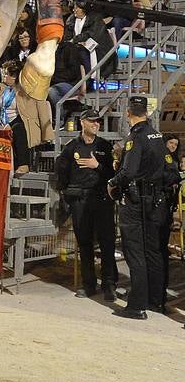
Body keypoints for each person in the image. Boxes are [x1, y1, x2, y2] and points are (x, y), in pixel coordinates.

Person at [107, 96, 167, 319]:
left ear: (128, 113)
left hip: (136, 201)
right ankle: (156, 301)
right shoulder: (157, 135)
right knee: (153, 252)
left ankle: (136, 306)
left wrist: (113, 183)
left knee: (135, 253)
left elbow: (129, 172)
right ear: (147, 113)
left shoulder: (136, 137)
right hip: (155, 200)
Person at [56, 109, 118, 300]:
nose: (96, 124)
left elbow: (113, 174)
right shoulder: (71, 147)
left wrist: (96, 166)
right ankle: (88, 284)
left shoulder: (105, 146)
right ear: (82, 122)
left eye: (98, 121)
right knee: (84, 243)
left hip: (102, 200)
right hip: (81, 201)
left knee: (107, 242)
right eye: (92, 121)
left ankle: (109, 284)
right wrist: (66, 194)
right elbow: (62, 172)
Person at [0, 59, 53, 176]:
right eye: (4, 73)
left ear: (16, 76)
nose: (4, 76)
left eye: (7, 74)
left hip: (22, 120)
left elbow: (42, 108)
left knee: (18, 129)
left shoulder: (29, 88)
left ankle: (24, 164)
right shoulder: (0, 88)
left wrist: (47, 132)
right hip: (2, 120)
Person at [159, 134, 180, 310]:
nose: (173, 146)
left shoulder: (175, 160)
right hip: (161, 207)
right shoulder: (161, 158)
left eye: (175, 144)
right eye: (171, 143)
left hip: (168, 207)